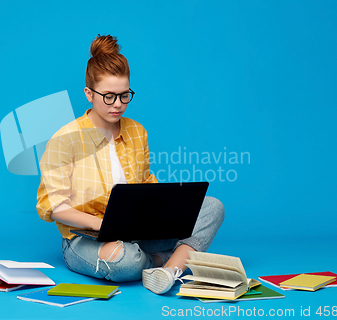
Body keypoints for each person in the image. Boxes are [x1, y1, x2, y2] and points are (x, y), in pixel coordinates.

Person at [36, 34, 224, 294]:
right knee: (125, 262)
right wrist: (102, 225)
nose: (118, 105)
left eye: (125, 96)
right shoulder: (64, 139)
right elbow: (53, 206)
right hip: (85, 238)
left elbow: (146, 185)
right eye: (109, 96)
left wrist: (169, 210)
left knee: (212, 207)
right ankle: (165, 260)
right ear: (89, 94)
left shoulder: (137, 132)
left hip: (138, 231)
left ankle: (167, 273)